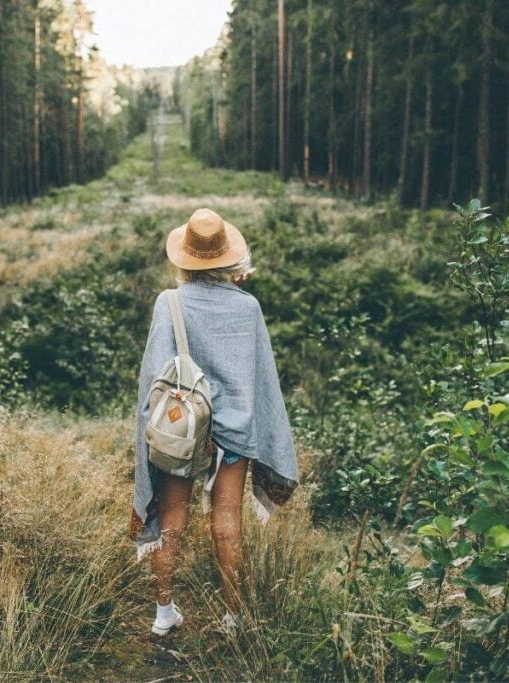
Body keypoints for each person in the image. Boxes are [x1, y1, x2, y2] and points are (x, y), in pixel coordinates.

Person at [130, 207, 299, 637]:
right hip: (235, 432)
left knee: (171, 520)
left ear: (186, 258)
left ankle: (164, 614)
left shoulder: (169, 303)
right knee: (227, 523)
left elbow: (154, 376)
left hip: (183, 430)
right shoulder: (249, 308)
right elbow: (261, 379)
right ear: (229, 259)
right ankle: (234, 618)